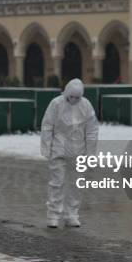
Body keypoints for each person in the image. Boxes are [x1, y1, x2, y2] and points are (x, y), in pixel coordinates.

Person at [40, 78, 98, 229]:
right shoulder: (56, 104)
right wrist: (46, 147)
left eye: (76, 98)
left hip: (78, 150)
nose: (73, 100)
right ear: (65, 92)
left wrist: (91, 152)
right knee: (56, 183)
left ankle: (71, 214)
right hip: (58, 149)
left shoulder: (86, 106)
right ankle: (53, 214)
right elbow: (47, 125)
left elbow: (92, 130)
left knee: (76, 184)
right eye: (70, 97)